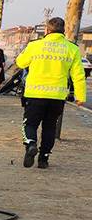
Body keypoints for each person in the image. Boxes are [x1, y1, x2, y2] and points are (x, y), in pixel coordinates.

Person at [15, 17, 85, 169]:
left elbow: (20, 63)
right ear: (63, 31)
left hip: (35, 94)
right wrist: (80, 96)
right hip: (57, 97)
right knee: (50, 128)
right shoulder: (72, 49)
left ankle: (31, 143)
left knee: (30, 124)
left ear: (47, 30)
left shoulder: (35, 46)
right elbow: (78, 75)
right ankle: (43, 159)